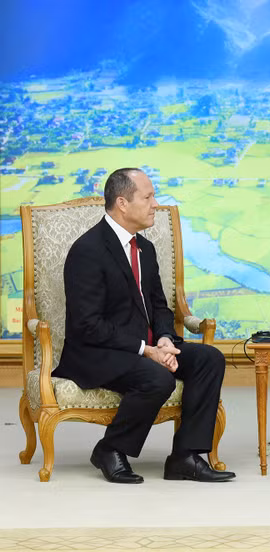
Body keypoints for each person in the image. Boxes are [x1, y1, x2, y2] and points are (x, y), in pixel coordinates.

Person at [53, 168, 235, 484]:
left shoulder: (145, 249)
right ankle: (110, 449)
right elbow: (87, 325)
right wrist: (145, 350)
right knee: (157, 378)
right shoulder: (88, 251)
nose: (155, 204)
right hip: (98, 352)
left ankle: (185, 457)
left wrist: (164, 339)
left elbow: (159, 305)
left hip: (144, 348)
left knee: (209, 359)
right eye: (148, 197)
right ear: (122, 203)